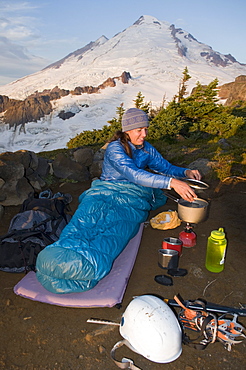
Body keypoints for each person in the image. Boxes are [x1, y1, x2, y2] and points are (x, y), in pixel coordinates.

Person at [101, 108, 201, 202]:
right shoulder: (115, 149)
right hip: (111, 190)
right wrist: (172, 182)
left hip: (135, 190)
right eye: (139, 130)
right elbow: (134, 174)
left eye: (146, 129)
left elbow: (165, 168)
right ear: (127, 131)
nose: (144, 134)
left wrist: (185, 172)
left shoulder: (145, 147)